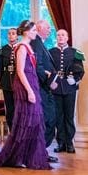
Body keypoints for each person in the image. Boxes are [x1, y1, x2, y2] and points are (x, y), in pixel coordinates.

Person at [0, 20, 51, 170]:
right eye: (33, 30)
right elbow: (20, 71)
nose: (35, 32)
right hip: (25, 86)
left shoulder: (27, 46)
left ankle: (29, 155)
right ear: (26, 32)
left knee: (34, 121)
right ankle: (18, 155)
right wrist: (30, 91)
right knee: (26, 120)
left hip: (31, 83)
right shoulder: (21, 47)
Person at [49, 29, 84, 153]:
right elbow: (49, 69)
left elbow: (80, 70)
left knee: (69, 116)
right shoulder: (51, 52)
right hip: (56, 87)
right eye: (58, 35)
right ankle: (61, 143)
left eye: (63, 35)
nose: (60, 37)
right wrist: (51, 82)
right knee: (58, 116)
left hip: (70, 87)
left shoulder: (75, 52)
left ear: (67, 37)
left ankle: (70, 143)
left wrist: (75, 80)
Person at [32, 20, 58, 161]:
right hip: (41, 89)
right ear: (39, 28)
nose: (50, 30)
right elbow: (38, 67)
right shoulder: (36, 43)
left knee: (49, 119)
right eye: (47, 27)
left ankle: (41, 151)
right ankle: (39, 152)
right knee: (47, 120)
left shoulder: (40, 43)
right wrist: (49, 82)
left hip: (45, 88)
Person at [0, 27, 18, 131]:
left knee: (18, 109)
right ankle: (11, 131)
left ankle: (19, 131)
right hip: (6, 83)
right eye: (9, 33)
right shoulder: (2, 50)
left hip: (18, 82)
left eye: (13, 33)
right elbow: (0, 68)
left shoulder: (21, 48)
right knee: (9, 109)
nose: (11, 35)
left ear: (17, 36)